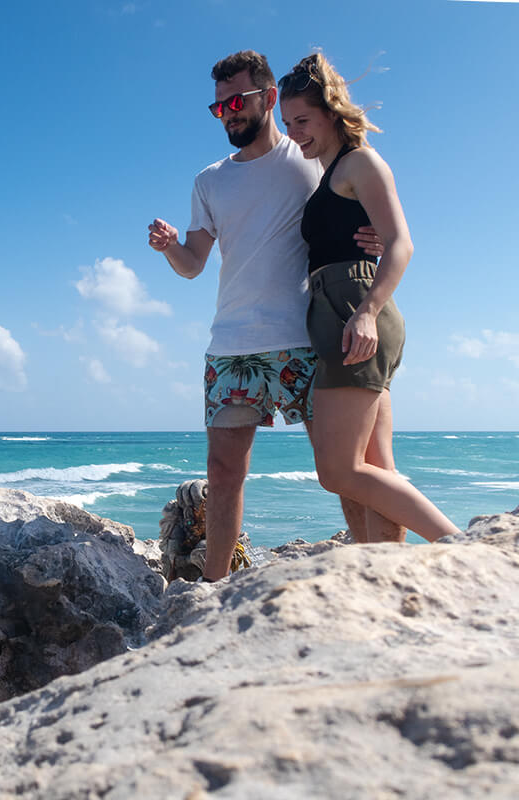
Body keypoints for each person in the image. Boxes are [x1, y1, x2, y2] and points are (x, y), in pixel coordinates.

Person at [148, 50, 395, 582]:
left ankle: (365, 572)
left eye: (237, 101)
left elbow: (367, 197)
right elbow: (193, 265)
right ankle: (214, 590)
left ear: (269, 97)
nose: (229, 114)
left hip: (307, 336)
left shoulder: (310, 156)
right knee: (224, 471)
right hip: (232, 343)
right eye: (219, 109)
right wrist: (170, 246)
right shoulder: (208, 181)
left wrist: (371, 237)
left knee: (345, 469)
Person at [278, 53, 460, 541]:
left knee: (338, 472)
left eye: (303, 120)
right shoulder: (329, 172)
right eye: (287, 123)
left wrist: (366, 312)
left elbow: (401, 242)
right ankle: (385, 574)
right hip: (340, 309)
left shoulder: (359, 161)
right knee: (377, 468)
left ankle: (461, 546)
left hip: (354, 310)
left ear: (331, 113)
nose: (295, 133)